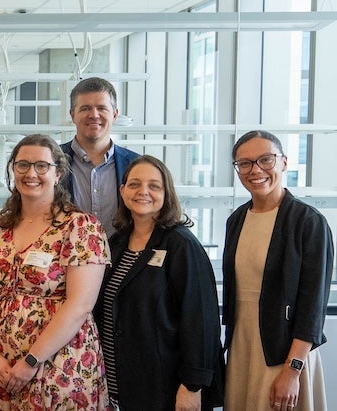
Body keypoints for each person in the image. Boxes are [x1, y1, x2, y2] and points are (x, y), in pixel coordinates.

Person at [0, 133, 110, 409]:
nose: (30, 173)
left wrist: (31, 360)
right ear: (13, 169)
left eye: (41, 166)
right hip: (1, 365)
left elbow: (80, 305)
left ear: (58, 173)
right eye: (22, 165)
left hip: (58, 361)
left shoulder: (80, 227)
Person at [94, 155, 223, 410]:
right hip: (120, 385)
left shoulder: (181, 245)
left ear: (166, 193)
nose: (143, 191)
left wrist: (192, 386)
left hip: (166, 388)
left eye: (154, 185)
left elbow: (201, 322)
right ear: (122, 190)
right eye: (134, 184)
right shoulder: (116, 243)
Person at [223, 130, 332, 411]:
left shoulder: (308, 223)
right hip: (242, 347)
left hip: (284, 354)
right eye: (244, 163)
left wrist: (293, 370)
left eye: (265, 160)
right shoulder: (236, 220)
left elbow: (312, 308)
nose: (255, 170)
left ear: (283, 162)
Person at [60, 76, 140, 231]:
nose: (94, 115)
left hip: (124, 255)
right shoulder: (52, 161)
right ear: (72, 115)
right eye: (85, 109)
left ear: (115, 115)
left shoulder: (136, 164)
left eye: (102, 108)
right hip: (65, 254)